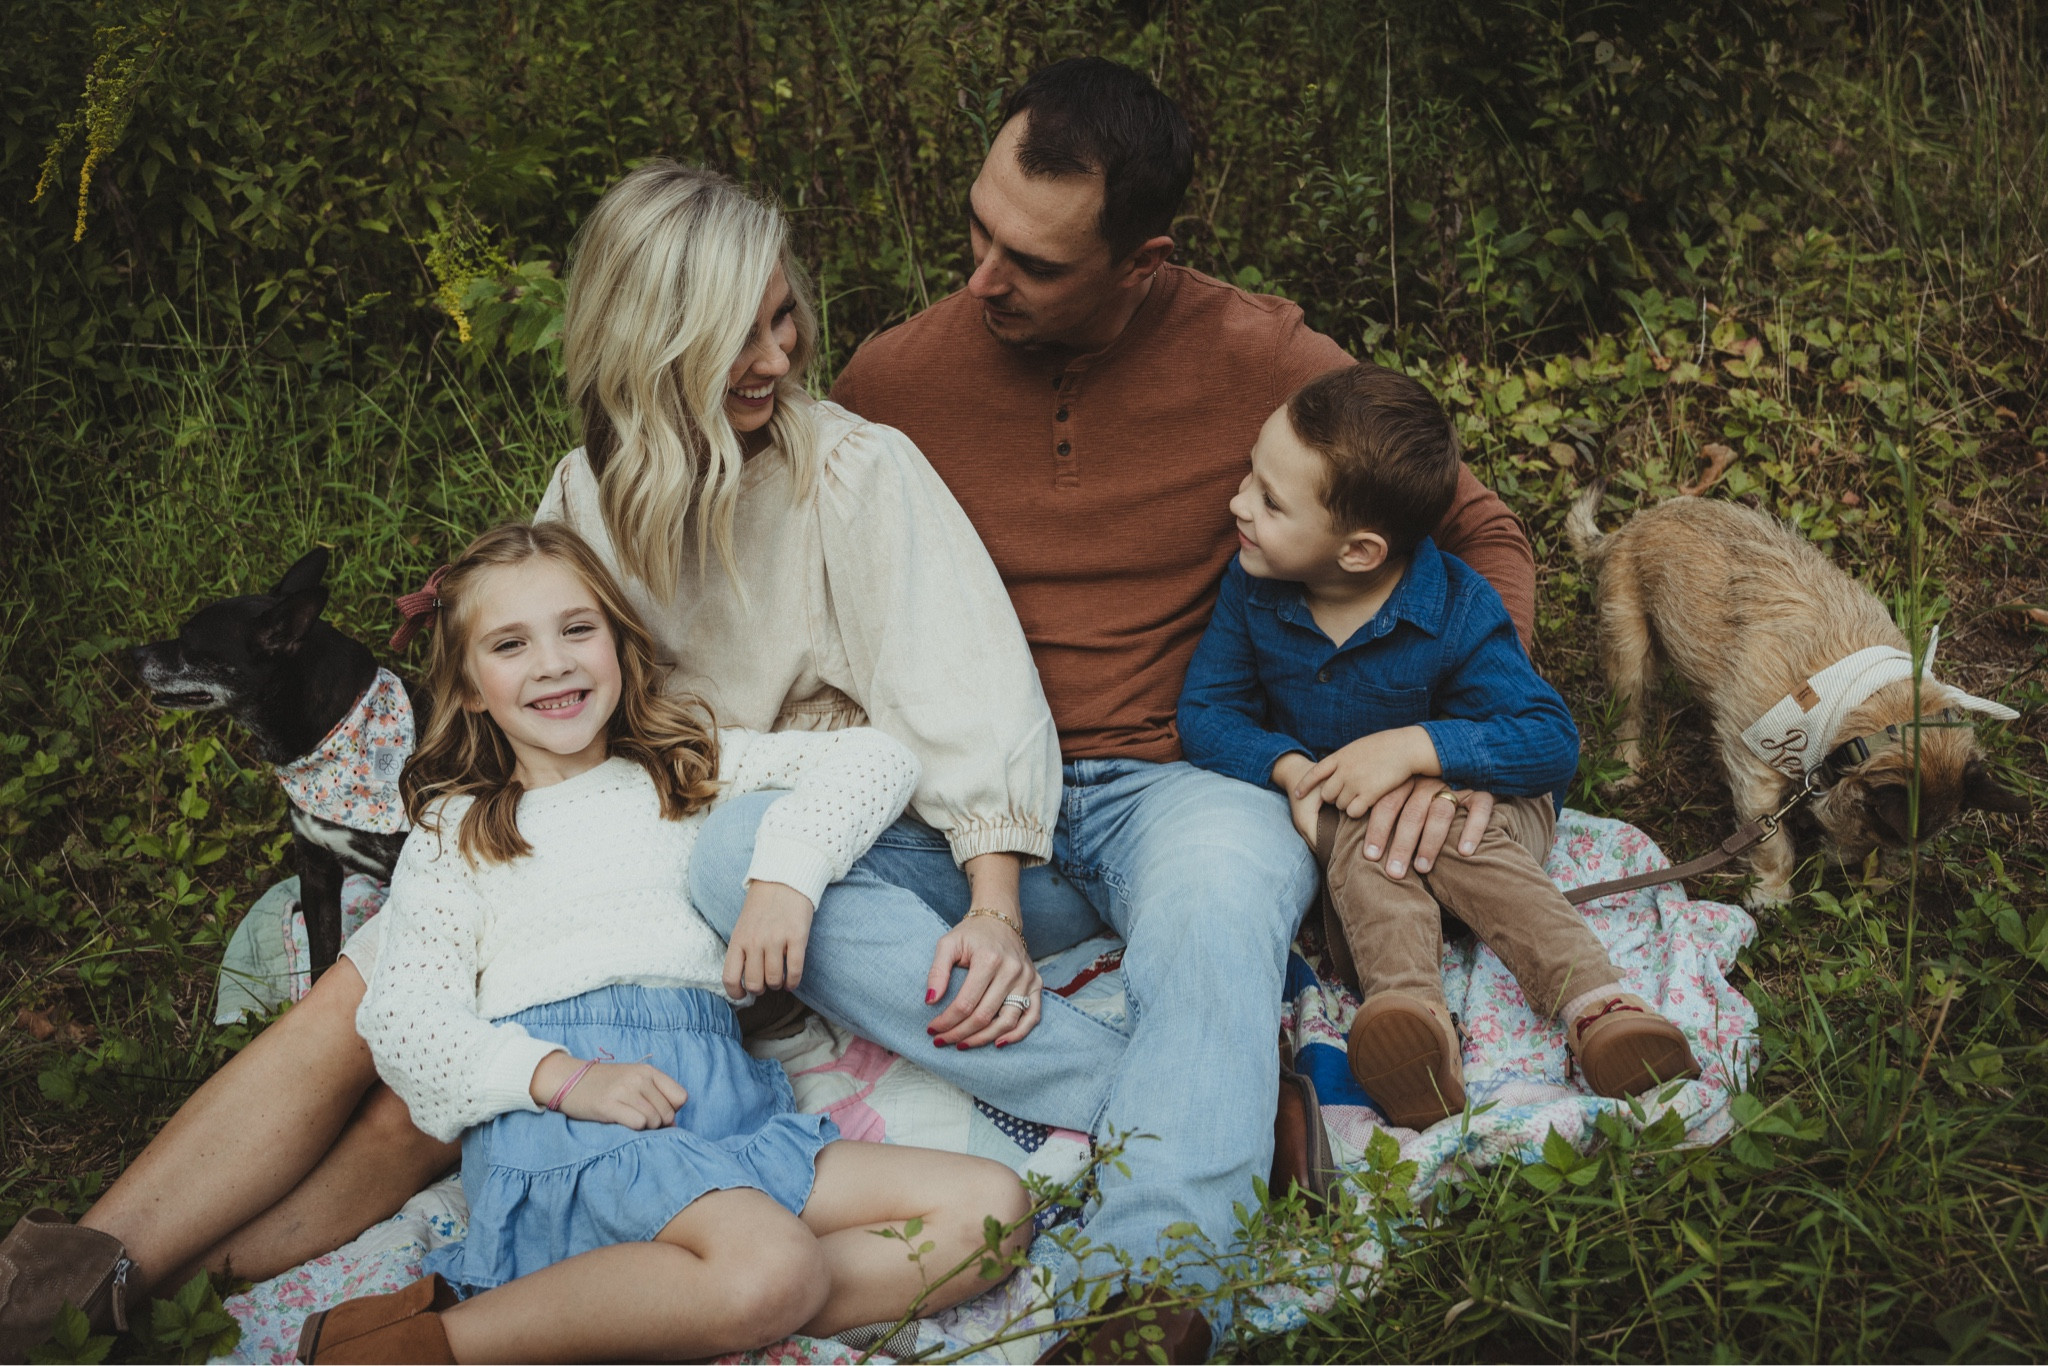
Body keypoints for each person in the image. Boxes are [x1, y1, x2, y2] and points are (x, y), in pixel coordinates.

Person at [0, 162, 1111, 1359]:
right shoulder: (587, 494)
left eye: (783, 315)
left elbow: (947, 714)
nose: (778, 356)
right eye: (737, 331)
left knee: (428, 1061)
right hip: (603, 850)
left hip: (761, 862)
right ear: (650, 340)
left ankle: (469, 1316)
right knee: (379, 1006)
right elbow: (533, 684)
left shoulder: (849, 472)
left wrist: (979, 898)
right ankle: (94, 1279)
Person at [690, 57, 1540, 1359]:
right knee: (733, 857)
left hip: (1180, 776)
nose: (983, 279)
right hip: (956, 799)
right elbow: (732, 526)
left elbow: (1473, 537)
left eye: (1031, 261)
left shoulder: (1268, 358)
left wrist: (1441, 746)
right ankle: (1208, 1102)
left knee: (1219, 896)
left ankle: (1150, 1285)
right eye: (977, 231)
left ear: (1143, 259)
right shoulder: (895, 375)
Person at [289, 521, 1030, 1364]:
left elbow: (875, 759)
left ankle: (668, 1307)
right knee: (770, 1262)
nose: (554, 663)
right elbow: (405, 1023)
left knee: (991, 1211)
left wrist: (786, 876)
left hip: (723, 1115)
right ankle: (421, 1351)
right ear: (466, 688)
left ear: (618, 643)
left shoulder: (685, 770)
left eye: (578, 630)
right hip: (575, 1128)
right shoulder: (456, 831)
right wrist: (561, 1078)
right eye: (510, 645)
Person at [1176, 364, 1700, 1131]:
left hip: (1483, 830)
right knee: (1364, 825)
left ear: (1358, 551)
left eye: (1269, 500)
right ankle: (1412, 1024)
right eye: (1250, 479)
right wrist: (1293, 771)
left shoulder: (1453, 606)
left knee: (1447, 826)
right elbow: (1208, 711)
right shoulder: (1253, 590)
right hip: (1359, 852)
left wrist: (1420, 748)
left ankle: (1597, 1004)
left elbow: (1550, 739)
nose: (1237, 505)